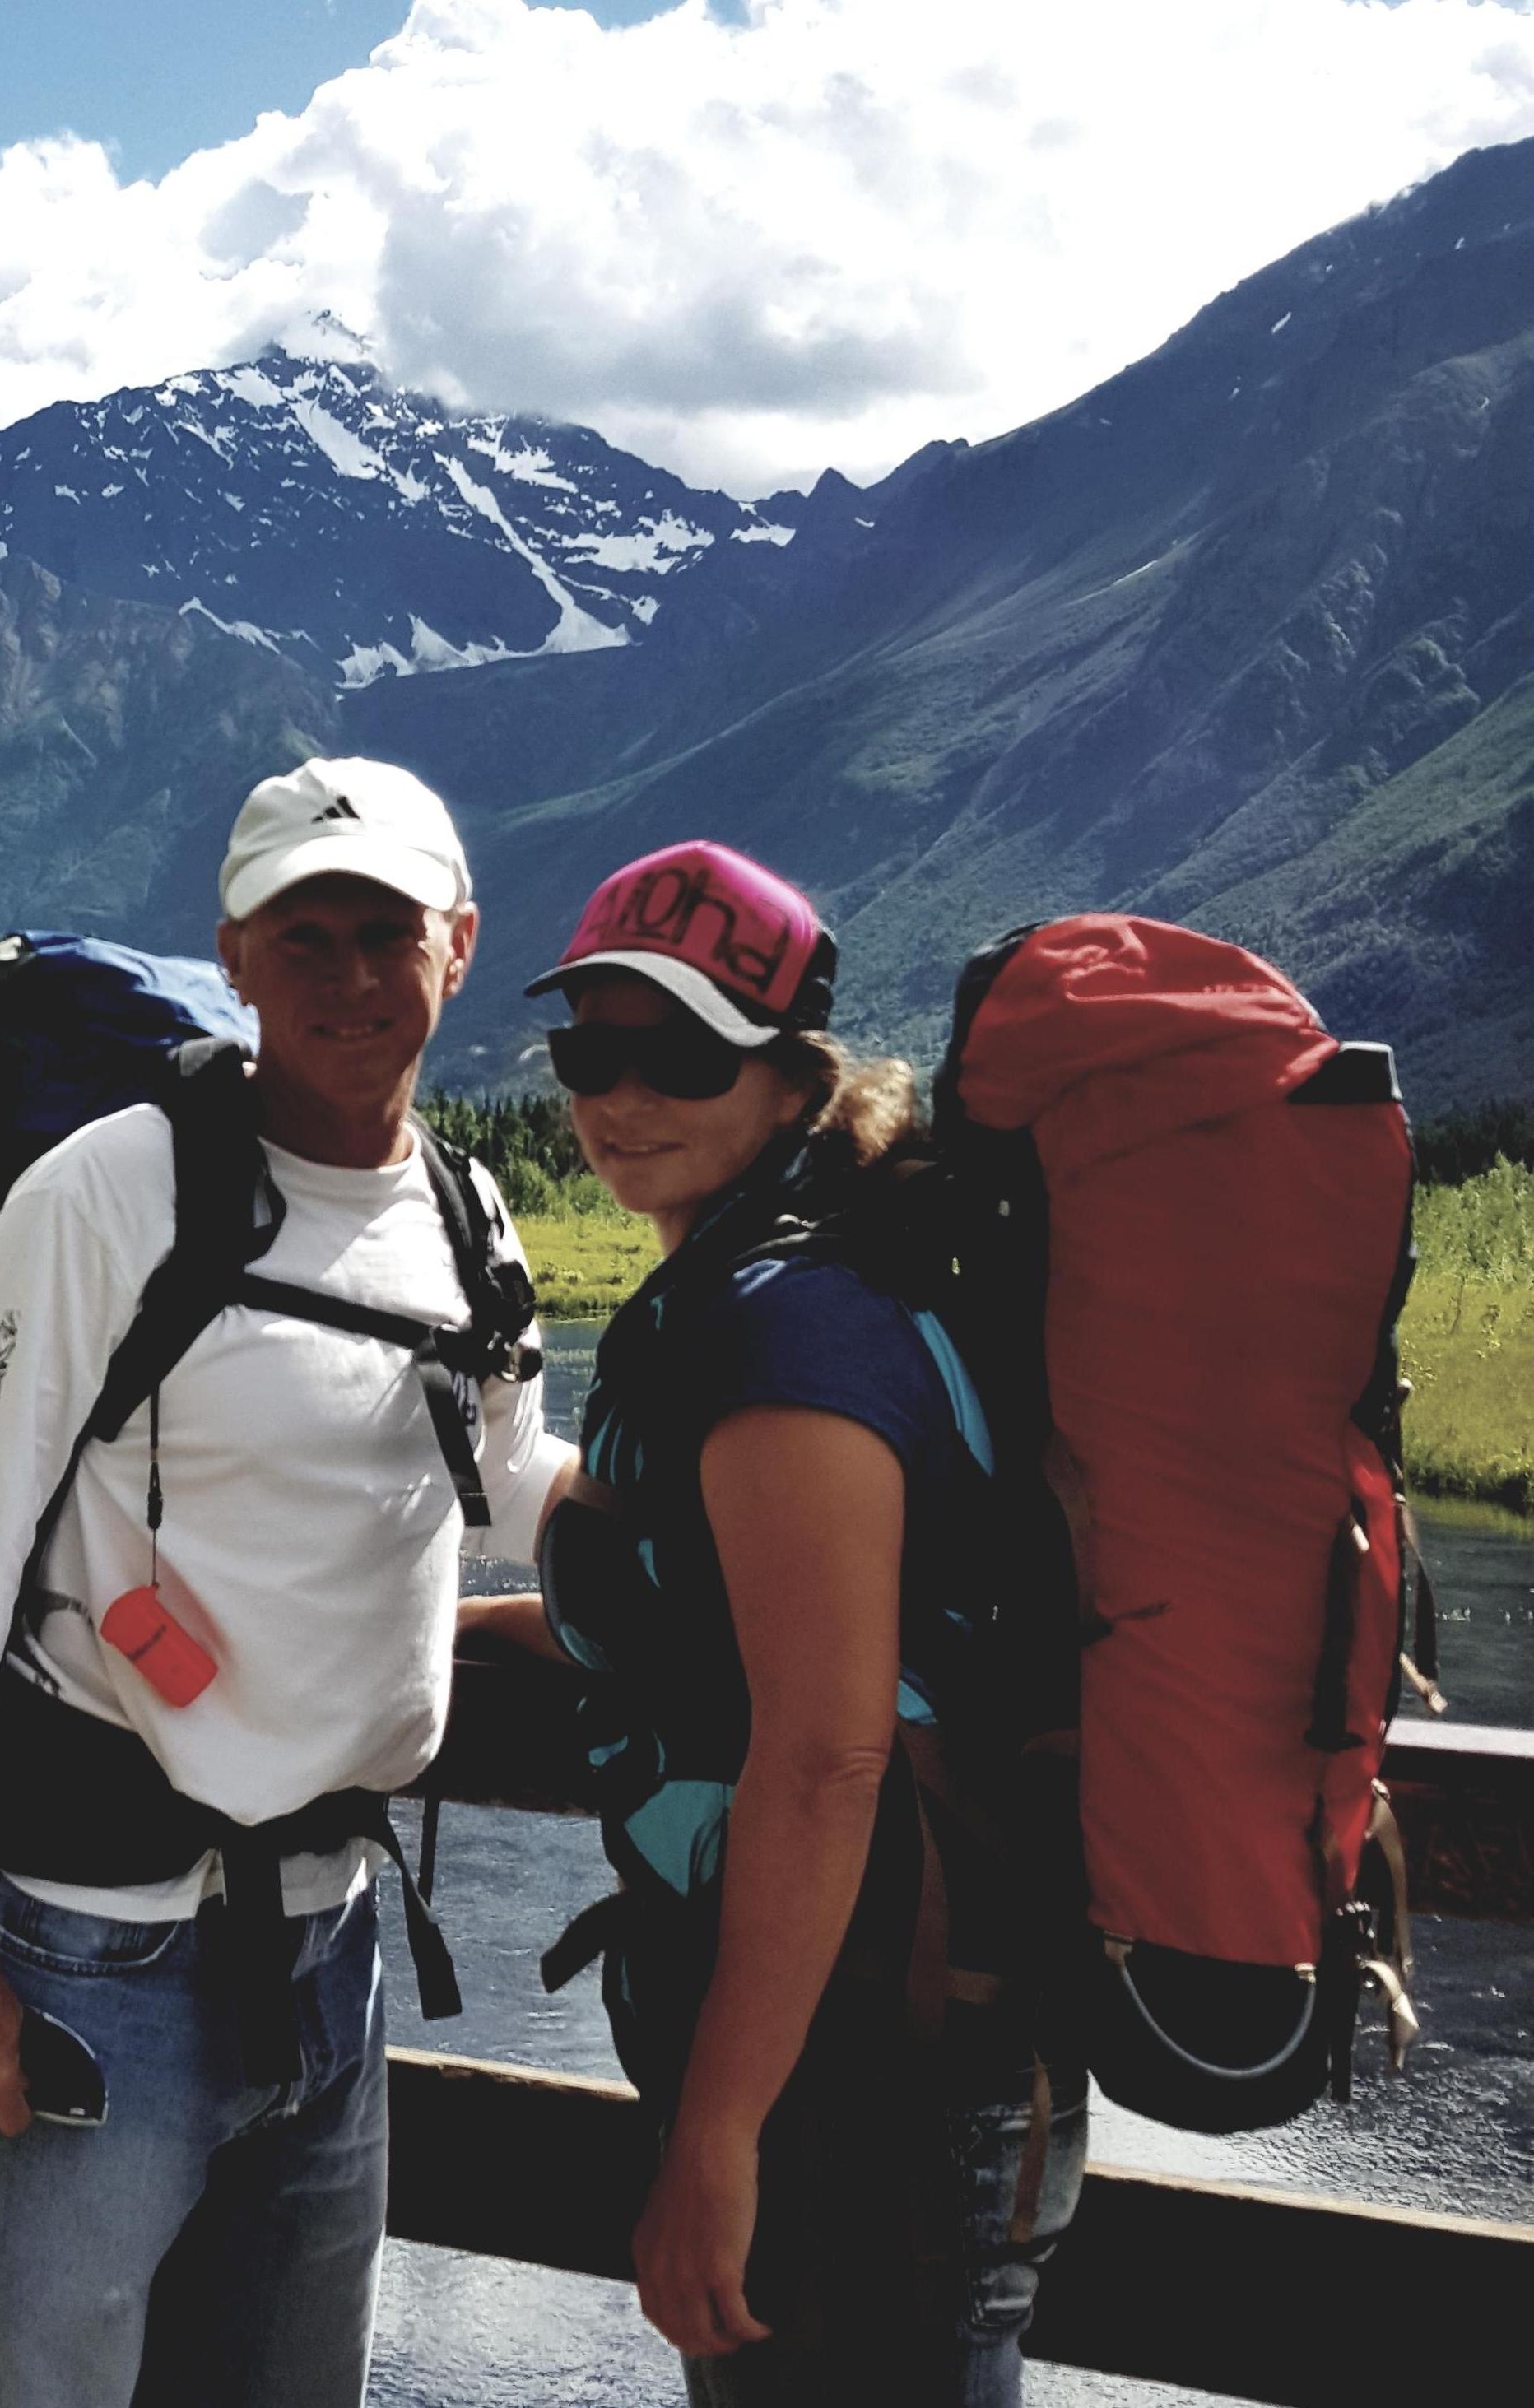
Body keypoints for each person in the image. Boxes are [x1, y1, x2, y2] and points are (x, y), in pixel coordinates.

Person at [0, 755, 575, 2408]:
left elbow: (509, 1467)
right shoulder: (110, 1191)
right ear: (231, 956)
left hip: (329, 1953)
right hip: (73, 1956)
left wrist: (685, 1555)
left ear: (456, 942)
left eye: (382, 932)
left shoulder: (463, 1208)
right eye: (301, 934)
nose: (347, 976)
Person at [464, 839, 1085, 2404]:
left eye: (679, 1050)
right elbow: (710, 1641)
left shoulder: (785, 1330)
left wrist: (717, 2138)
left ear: (790, 1074)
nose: (620, 1093)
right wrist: (468, 1634)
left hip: (865, 2077)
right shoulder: (732, 1296)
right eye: (589, 1049)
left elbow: (822, 1754)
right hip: (858, 2033)